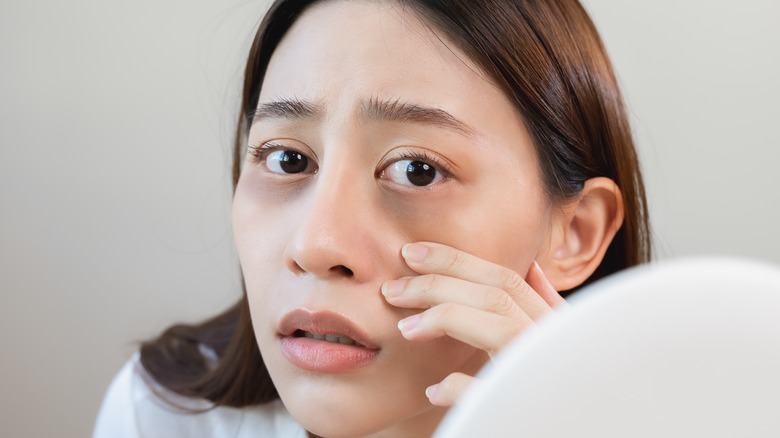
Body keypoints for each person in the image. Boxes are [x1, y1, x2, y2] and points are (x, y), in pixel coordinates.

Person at [94, 0, 651, 436]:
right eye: (288, 159)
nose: (317, 244)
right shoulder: (165, 415)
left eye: (417, 171)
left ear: (574, 235)